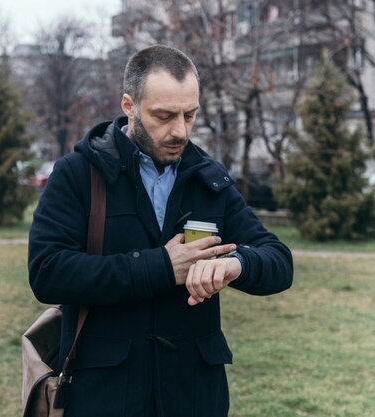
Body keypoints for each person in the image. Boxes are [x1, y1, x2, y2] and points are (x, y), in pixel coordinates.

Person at [28, 44, 293, 417]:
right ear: (128, 106)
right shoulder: (77, 174)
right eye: (164, 116)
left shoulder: (209, 180)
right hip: (104, 397)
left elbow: (279, 261)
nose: (180, 131)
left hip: (194, 397)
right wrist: (162, 267)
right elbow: (47, 272)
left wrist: (238, 264)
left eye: (190, 115)